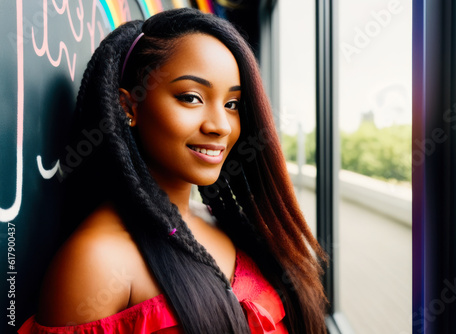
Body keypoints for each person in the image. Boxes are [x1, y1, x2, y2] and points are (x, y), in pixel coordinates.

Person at [19, 8, 327, 334]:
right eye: (191, 98)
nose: (220, 126)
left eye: (232, 104)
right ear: (128, 107)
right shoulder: (97, 262)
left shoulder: (227, 224)